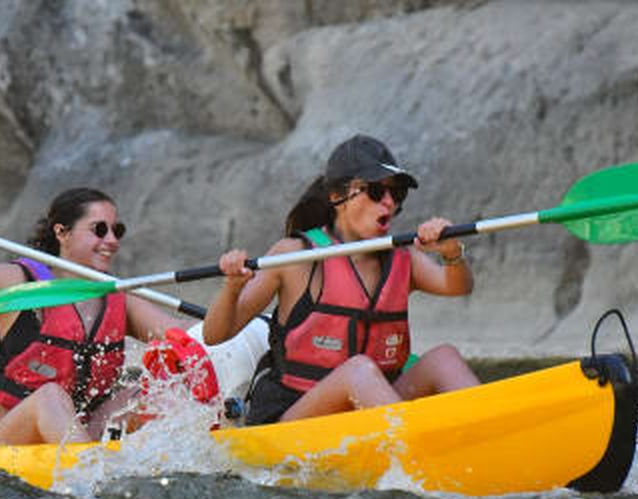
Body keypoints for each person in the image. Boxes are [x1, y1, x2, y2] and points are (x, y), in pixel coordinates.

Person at [203, 134, 479, 425]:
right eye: (375, 191)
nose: (388, 203)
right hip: (295, 416)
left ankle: (492, 432)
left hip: (372, 410)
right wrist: (232, 289)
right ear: (337, 198)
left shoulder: (402, 258)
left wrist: (452, 252)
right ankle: (422, 448)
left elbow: (458, 286)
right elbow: (215, 335)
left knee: (444, 358)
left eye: (397, 195)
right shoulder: (295, 257)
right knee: (358, 370)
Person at [0, 187, 190, 447]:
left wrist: (233, 291)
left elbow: (186, 336)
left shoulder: (117, 295)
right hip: (3, 440)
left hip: (79, 432)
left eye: (117, 231)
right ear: (62, 232)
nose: (112, 240)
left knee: (154, 392)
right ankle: (92, 476)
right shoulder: (18, 281)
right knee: (49, 396)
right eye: (100, 230)